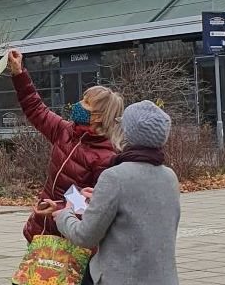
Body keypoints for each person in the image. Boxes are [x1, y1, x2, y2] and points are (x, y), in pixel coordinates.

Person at [5, 49, 124, 273]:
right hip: (42, 231)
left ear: (98, 116)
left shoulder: (107, 157)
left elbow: (95, 205)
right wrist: (19, 73)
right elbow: (35, 108)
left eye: (86, 103)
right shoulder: (65, 131)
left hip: (71, 239)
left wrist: (58, 208)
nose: (79, 104)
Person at [46, 101, 181, 285]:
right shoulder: (169, 177)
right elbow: (141, 215)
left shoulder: (114, 177)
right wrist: (101, 198)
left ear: (127, 134)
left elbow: (85, 236)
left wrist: (64, 215)